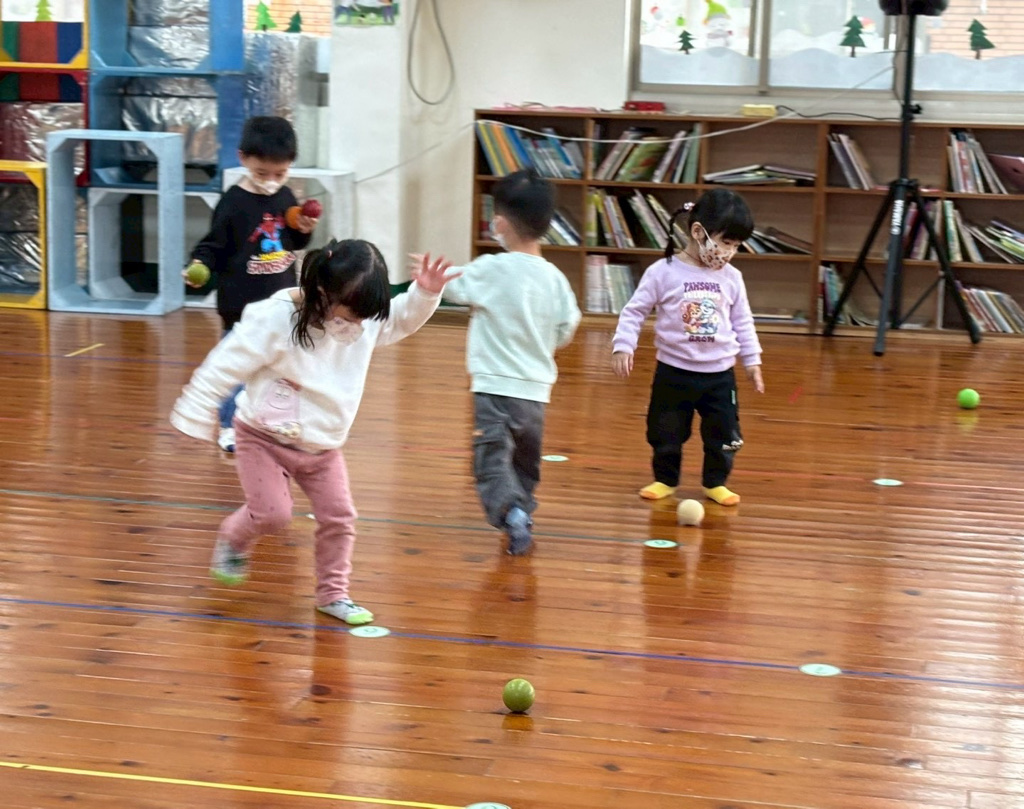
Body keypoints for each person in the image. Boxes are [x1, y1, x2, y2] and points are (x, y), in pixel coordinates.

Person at [171, 242, 456, 624]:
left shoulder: (362, 321)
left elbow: (400, 320)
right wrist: (193, 415)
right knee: (273, 514)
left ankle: (333, 594)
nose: (359, 326)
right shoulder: (275, 319)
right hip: (262, 437)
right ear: (323, 294)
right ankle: (234, 537)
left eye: (365, 318)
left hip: (323, 447)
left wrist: (425, 294)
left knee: (340, 518)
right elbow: (223, 366)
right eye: (351, 316)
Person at [419, 168, 581, 555]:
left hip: (493, 387)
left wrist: (430, 280)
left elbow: (452, 286)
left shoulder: (491, 269)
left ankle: (511, 513)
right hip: (535, 392)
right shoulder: (555, 279)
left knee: (491, 458)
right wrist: (544, 346)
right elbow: (568, 325)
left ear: (501, 223)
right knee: (525, 459)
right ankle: (523, 509)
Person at [611, 188, 764, 506]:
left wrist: (752, 360)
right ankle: (665, 479)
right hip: (673, 371)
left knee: (725, 435)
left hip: (719, 375)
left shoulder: (732, 277)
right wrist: (624, 345)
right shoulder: (662, 272)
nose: (729, 252)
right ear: (698, 232)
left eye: (736, 246)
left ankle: (715, 482)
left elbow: (743, 321)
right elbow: (634, 311)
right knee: (664, 430)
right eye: (725, 242)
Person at [184, 116, 318, 453]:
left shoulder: (285, 196)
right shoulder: (233, 202)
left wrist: (303, 229)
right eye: (262, 173)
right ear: (243, 158)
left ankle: (273, 422)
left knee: (282, 370)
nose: (271, 181)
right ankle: (230, 426)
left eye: (280, 174)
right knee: (236, 370)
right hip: (241, 308)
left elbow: (293, 242)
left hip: (282, 304)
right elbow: (213, 245)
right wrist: (200, 264)